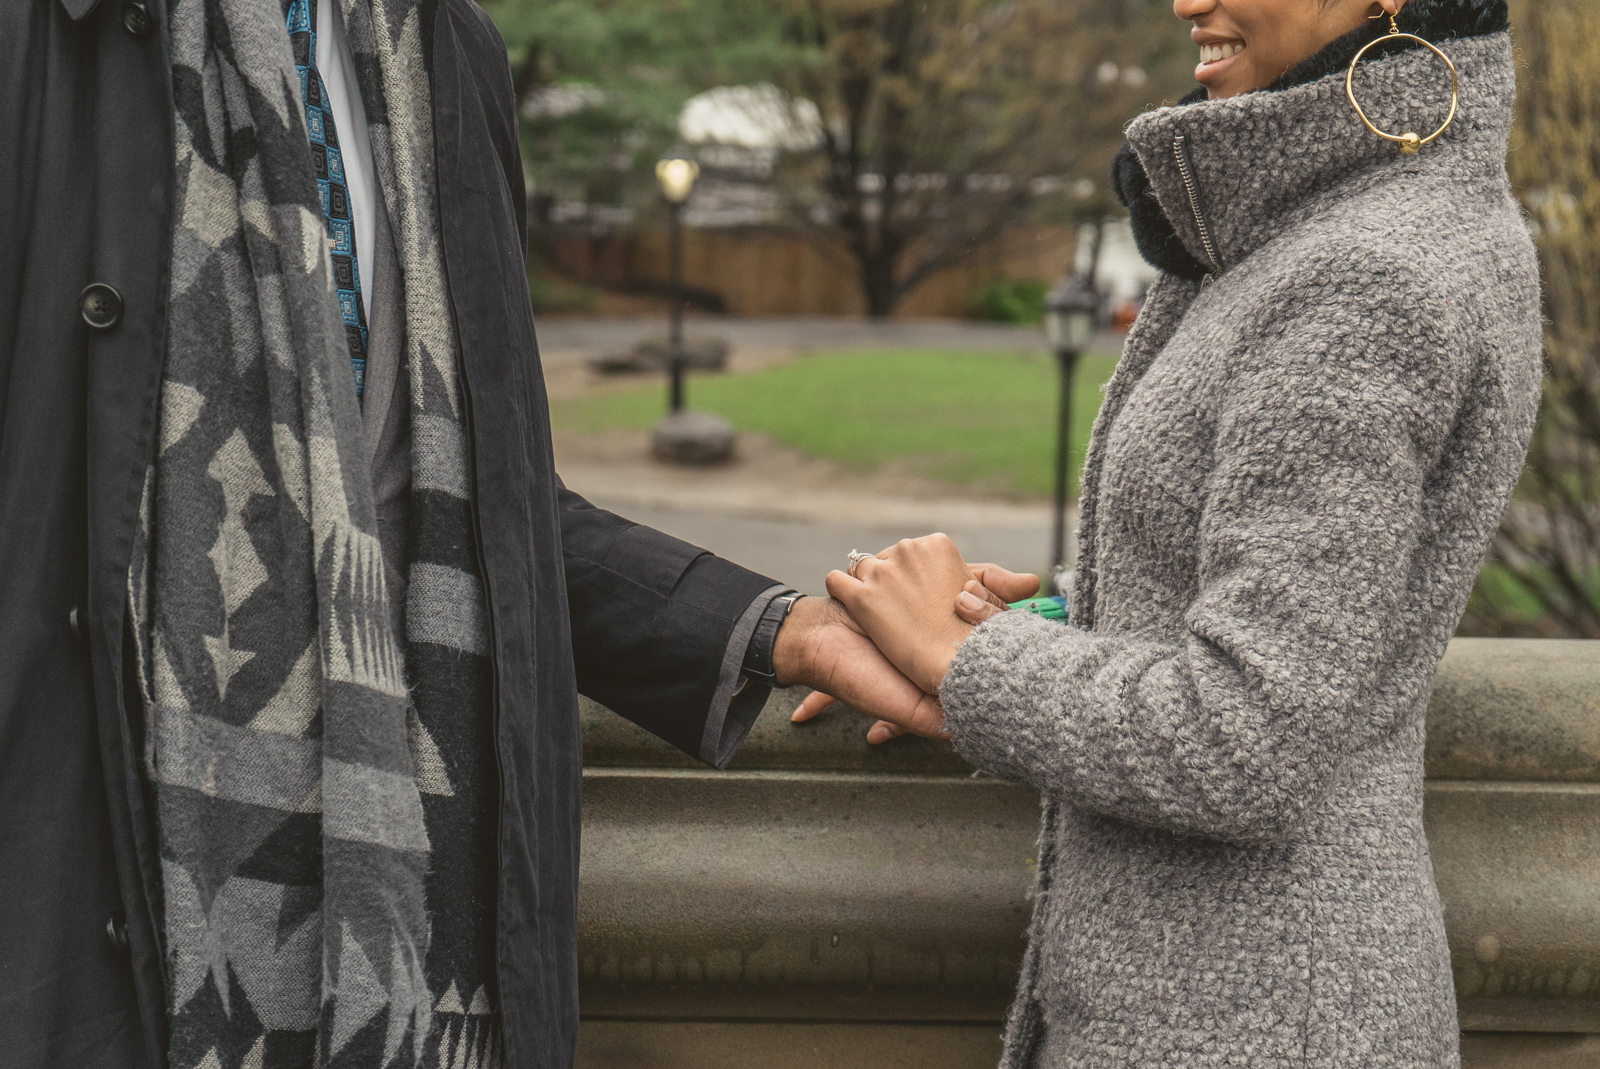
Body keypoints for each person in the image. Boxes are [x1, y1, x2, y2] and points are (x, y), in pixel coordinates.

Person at [0, 1, 1036, 1068]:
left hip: (406, 937)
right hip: (82, 913)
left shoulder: (444, 49)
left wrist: (784, 628)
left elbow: (472, 504)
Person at [806, 0, 1542, 1065]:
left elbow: (1245, 737)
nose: (1186, 0)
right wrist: (1064, 614)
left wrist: (964, 655)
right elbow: (1320, 600)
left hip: (1249, 1021)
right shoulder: (1374, 219)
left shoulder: (1363, 274)